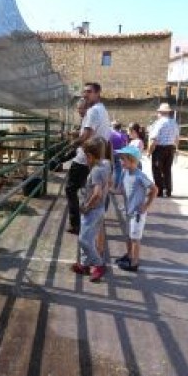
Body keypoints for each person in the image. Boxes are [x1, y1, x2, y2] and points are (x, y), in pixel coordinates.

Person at [65, 82, 111, 234]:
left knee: (71, 188)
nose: (85, 94)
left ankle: (76, 224)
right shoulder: (103, 110)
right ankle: (91, 223)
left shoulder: (93, 111)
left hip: (85, 158)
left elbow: (86, 136)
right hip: (98, 158)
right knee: (91, 189)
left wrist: (72, 144)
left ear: (98, 93)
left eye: (89, 92)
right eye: (84, 91)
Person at [114, 145, 158, 272]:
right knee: (128, 236)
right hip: (129, 211)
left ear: (132, 160)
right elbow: (121, 190)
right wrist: (109, 189)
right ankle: (129, 256)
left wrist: (146, 205)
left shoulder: (140, 176)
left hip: (137, 213)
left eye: (123, 159)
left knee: (135, 238)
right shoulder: (124, 172)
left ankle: (134, 263)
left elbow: (154, 189)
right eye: (121, 158)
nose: (121, 161)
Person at [71, 138, 109, 282]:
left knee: (83, 240)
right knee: (87, 237)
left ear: (90, 156)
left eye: (86, 156)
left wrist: (87, 206)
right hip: (99, 210)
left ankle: (99, 264)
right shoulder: (105, 165)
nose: (85, 159)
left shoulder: (96, 171)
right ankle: (84, 265)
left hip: (92, 211)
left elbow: (97, 193)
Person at [148, 103, 179, 197]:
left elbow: (154, 139)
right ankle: (168, 190)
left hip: (160, 149)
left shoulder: (159, 123)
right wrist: (176, 148)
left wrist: (149, 151)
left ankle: (159, 190)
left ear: (160, 112)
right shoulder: (174, 123)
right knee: (167, 170)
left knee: (157, 170)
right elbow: (177, 138)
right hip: (170, 148)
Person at [109, 123, 129, 189]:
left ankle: (109, 185)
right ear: (120, 128)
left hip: (110, 153)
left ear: (113, 127)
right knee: (118, 170)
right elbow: (125, 145)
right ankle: (116, 186)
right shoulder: (123, 135)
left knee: (110, 169)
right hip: (119, 154)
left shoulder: (110, 134)